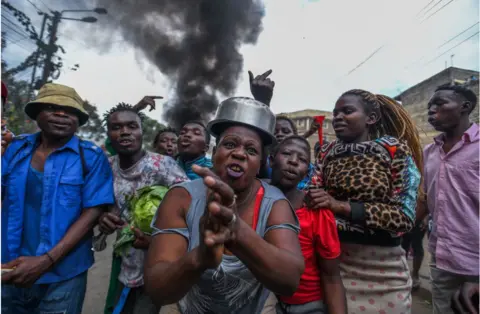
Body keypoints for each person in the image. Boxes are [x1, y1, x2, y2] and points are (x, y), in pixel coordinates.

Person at [144, 97, 304, 314]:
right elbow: (158, 290)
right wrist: (199, 258)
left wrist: (236, 231)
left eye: (251, 150)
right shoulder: (181, 197)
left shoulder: (274, 203)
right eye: (229, 144)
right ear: (214, 154)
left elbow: (289, 281)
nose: (239, 153)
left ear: (260, 165)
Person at [1, 83, 115, 313]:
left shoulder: (91, 158)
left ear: (78, 120)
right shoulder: (14, 149)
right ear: (37, 114)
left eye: (71, 111)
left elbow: (92, 212)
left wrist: (46, 261)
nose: (62, 114)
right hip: (8, 270)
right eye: (52, 107)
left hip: (64, 277)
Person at [307, 89, 422, 314]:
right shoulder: (328, 152)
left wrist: (341, 206)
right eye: (335, 113)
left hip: (383, 269)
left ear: (371, 118)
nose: (338, 117)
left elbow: (405, 217)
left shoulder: (393, 150)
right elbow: (313, 196)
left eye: (347, 111)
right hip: (332, 264)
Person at [97, 103, 188, 314]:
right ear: (109, 134)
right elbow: (99, 207)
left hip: (161, 263)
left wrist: (156, 240)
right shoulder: (107, 167)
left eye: (132, 126)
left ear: (141, 131)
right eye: (117, 127)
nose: (125, 132)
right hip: (125, 262)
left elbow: (188, 210)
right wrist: (103, 217)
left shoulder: (163, 165)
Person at [420, 83, 479, 314]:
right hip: (441, 258)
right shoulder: (429, 152)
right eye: (429, 106)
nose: (432, 110)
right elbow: (425, 200)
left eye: (440, 103)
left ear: (465, 107)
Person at [270, 136, 347, 314]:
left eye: (302, 159)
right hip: (264, 298)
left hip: (307, 305)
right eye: (287, 153)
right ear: (272, 160)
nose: (293, 161)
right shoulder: (255, 197)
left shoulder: (316, 211)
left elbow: (331, 275)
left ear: (306, 172)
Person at [401, 219, 427, 289]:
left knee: (417, 245)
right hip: (405, 216)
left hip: (419, 219)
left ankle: (415, 274)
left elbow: (426, 208)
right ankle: (402, 272)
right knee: (403, 245)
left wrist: (425, 218)